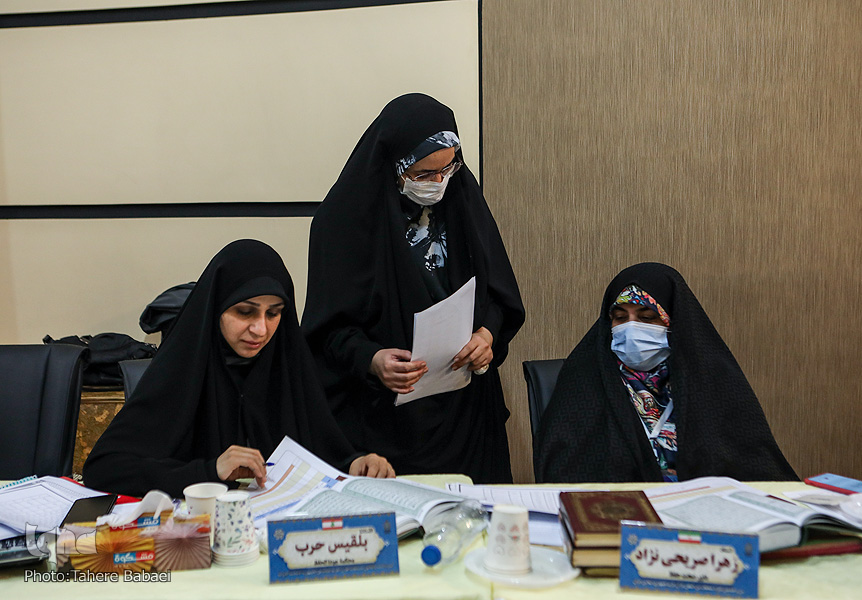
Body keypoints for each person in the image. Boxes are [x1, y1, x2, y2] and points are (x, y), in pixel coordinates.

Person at [301, 93, 525, 483]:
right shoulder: (342, 222)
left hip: (466, 412)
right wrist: (372, 359)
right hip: (384, 419)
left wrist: (487, 335)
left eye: (448, 168)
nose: (438, 183)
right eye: (423, 174)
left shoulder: (462, 198)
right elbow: (326, 331)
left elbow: (499, 293)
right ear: (393, 165)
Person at [83, 239, 393, 498]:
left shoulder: (287, 368)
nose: (261, 329)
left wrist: (355, 464)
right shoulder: (183, 371)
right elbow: (104, 468)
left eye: (273, 314)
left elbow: (322, 452)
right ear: (217, 308)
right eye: (245, 312)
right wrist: (209, 471)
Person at [535, 262, 797, 483]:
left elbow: (755, 469)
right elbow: (564, 473)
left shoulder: (712, 379)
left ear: (674, 321)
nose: (631, 328)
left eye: (647, 317)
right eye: (620, 317)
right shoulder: (584, 380)